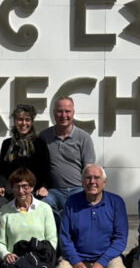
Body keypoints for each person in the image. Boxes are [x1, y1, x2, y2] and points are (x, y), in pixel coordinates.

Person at [38, 96, 96, 226]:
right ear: (53, 113)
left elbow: (89, 169)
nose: (63, 115)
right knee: (42, 205)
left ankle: (64, 237)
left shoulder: (84, 138)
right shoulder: (44, 136)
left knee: (76, 212)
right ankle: (59, 235)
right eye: (59, 111)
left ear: (73, 113)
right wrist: (42, 186)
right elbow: (39, 167)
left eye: (67, 111)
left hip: (78, 189)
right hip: (53, 190)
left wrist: (88, 190)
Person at [0, 104, 50, 202]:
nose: (23, 123)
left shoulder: (39, 143)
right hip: (11, 191)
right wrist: (0, 186)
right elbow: (2, 170)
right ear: (14, 121)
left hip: (33, 191)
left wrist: (44, 187)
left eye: (27, 120)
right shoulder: (7, 144)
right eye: (20, 119)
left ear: (32, 122)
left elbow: (46, 170)